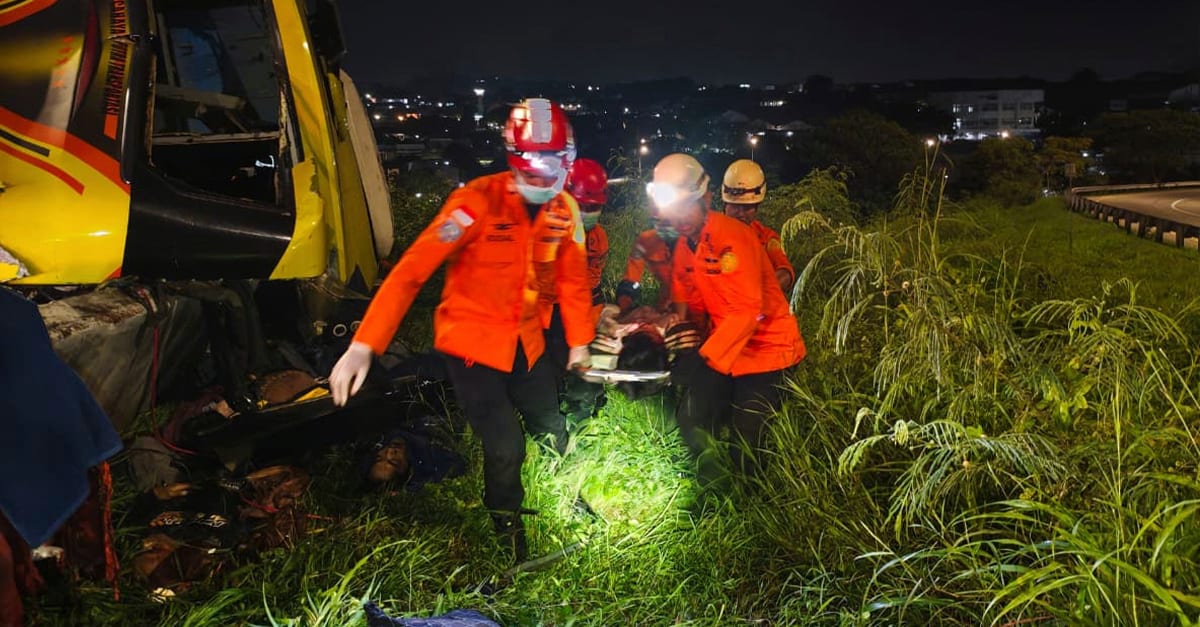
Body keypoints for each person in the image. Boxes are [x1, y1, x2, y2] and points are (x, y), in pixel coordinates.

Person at [327, 98, 595, 561]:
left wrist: (580, 342)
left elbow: (571, 280)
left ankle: (569, 494)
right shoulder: (472, 206)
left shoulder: (561, 211)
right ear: (515, 159)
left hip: (526, 343)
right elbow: (412, 271)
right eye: (536, 164)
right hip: (472, 347)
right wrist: (364, 345)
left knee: (552, 426)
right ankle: (508, 531)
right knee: (506, 445)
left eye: (555, 164)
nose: (545, 176)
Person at [647, 153, 805, 478]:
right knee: (691, 417)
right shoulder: (690, 244)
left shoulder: (743, 237)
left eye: (750, 205)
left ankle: (749, 505)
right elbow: (689, 302)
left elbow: (749, 308)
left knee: (746, 444)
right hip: (727, 347)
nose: (743, 210)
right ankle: (713, 487)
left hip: (765, 352)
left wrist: (706, 358)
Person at [545, 157, 609, 424]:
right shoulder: (548, 229)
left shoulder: (597, 238)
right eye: (582, 206)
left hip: (581, 309)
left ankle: (583, 410)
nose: (587, 213)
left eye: (593, 207)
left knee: (588, 360)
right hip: (546, 310)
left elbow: (591, 284)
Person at [721, 159, 795, 295]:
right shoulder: (708, 235)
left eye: (747, 207)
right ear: (725, 204)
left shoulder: (766, 238)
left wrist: (760, 293)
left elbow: (785, 271)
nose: (740, 213)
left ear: (756, 208)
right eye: (735, 206)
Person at [616, 214, 678, 314]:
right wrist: (625, 303)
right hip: (666, 305)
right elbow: (631, 277)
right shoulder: (645, 241)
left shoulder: (697, 239)